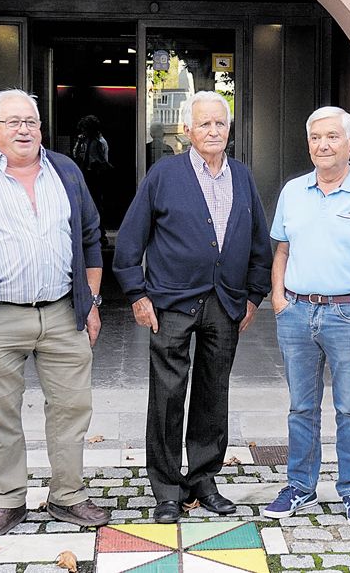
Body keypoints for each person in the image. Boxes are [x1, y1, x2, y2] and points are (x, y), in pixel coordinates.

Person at [0, 89, 110, 536]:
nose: (23, 129)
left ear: (40, 128)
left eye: (30, 121)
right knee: (0, 412)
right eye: (12, 122)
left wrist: (91, 300)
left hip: (63, 312)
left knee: (72, 408)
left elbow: (90, 236)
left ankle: (68, 496)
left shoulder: (65, 171)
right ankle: (8, 500)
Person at [113, 90, 273, 524]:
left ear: (229, 129)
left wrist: (255, 295)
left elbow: (260, 240)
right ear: (187, 130)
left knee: (212, 394)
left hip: (225, 303)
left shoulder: (241, 176)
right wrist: (137, 294)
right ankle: (167, 489)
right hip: (171, 304)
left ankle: (203, 479)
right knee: (167, 397)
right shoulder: (165, 174)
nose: (213, 131)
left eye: (220, 123)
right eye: (204, 124)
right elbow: (129, 241)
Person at [261, 106, 350, 527]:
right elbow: (282, 250)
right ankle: (300, 487)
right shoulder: (293, 191)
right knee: (300, 408)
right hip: (297, 312)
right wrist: (278, 299)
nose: (322, 145)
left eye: (332, 137)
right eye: (315, 138)